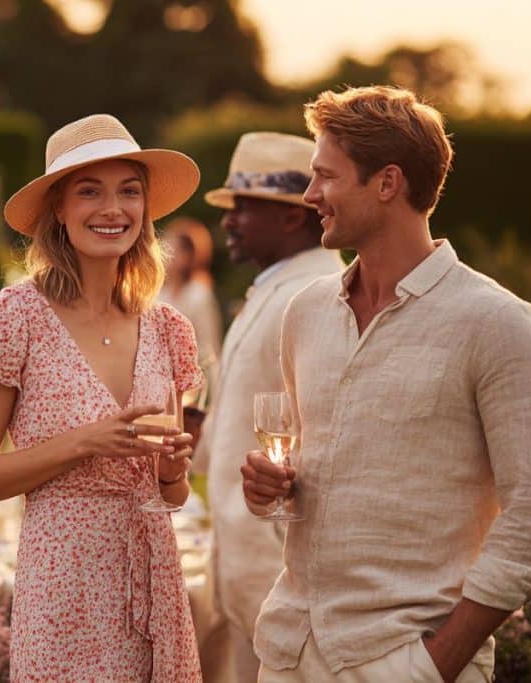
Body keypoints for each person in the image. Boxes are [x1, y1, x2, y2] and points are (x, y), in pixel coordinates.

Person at [241, 86, 531, 682]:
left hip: (405, 659)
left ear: (387, 183)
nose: (309, 195)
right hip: (288, 653)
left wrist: (436, 663)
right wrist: (270, 489)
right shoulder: (305, 313)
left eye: (325, 176)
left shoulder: (499, 324)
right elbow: (312, 477)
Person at [0, 114, 204, 681]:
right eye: (89, 191)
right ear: (58, 211)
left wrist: (170, 472)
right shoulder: (11, 318)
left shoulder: (169, 328)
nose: (112, 209)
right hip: (62, 585)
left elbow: (175, 491)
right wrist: (83, 443)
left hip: (155, 580)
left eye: (129, 191)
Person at [194, 132, 343, 681]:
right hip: (243, 560)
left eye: (243, 208)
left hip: (276, 568)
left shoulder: (318, 296)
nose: (228, 222)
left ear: (289, 218)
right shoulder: (274, 289)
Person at [158, 217, 221, 365]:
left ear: (189, 255)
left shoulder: (199, 294)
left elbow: (209, 344)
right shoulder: (159, 294)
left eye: (173, 249)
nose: (167, 256)